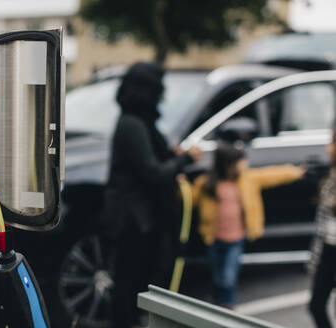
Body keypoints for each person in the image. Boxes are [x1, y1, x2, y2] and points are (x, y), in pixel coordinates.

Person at [104, 62, 201, 328]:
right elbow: (152, 171)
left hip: (139, 218)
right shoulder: (133, 124)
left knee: (132, 280)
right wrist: (184, 161)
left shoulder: (138, 122)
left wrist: (173, 159)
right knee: (128, 282)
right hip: (132, 220)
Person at [192, 143, 305, 308]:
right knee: (217, 275)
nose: (245, 164)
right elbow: (190, 197)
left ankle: (226, 306)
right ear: (228, 165)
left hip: (235, 239)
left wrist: (294, 171)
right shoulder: (206, 184)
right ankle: (218, 302)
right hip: (213, 238)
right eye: (241, 162)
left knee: (227, 277)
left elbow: (271, 175)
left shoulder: (247, 179)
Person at [308, 124, 336, 328]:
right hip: (328, 249)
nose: (328, 147)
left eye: (332, 142)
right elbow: (321, 223)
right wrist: (315, 259)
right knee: (316, 305)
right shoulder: (330, 176)